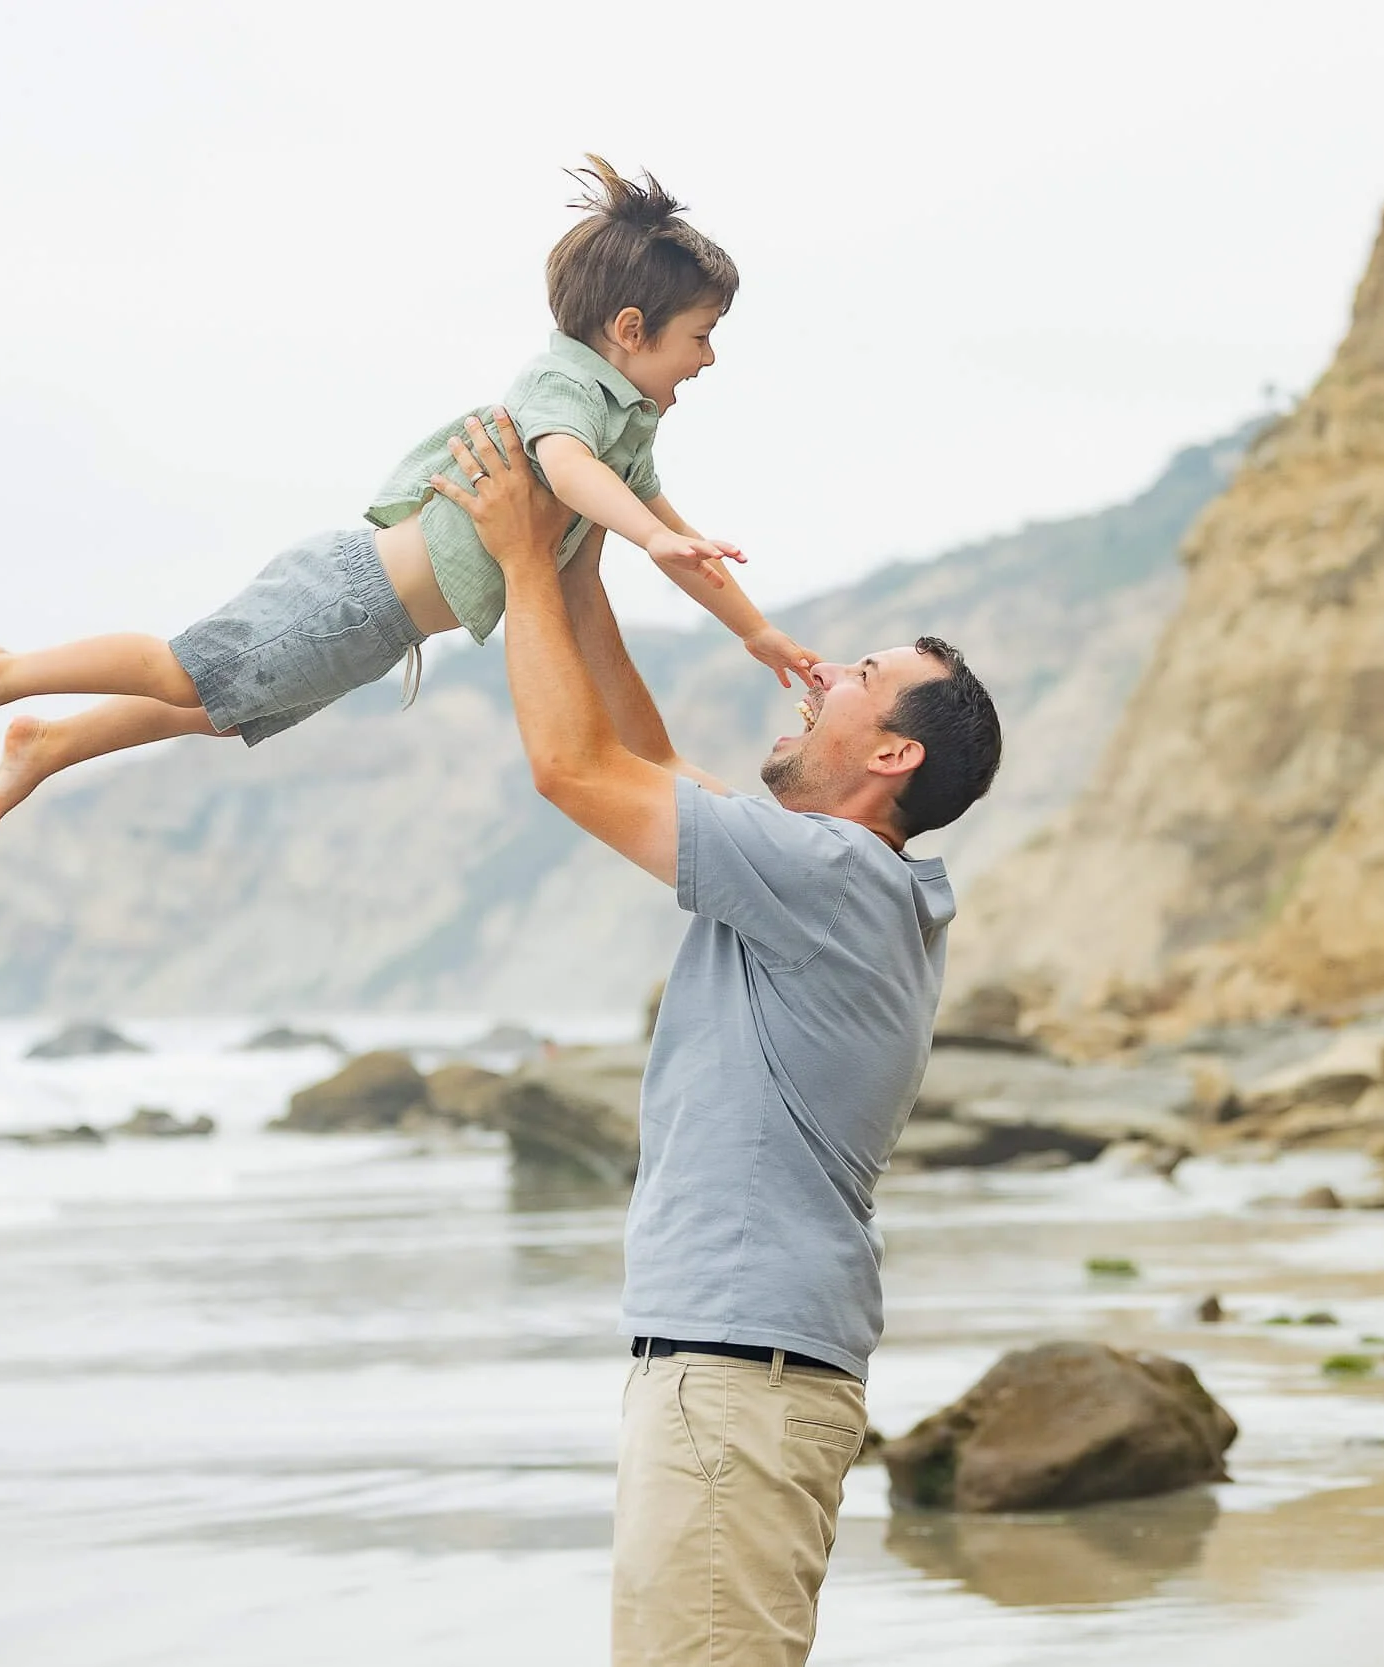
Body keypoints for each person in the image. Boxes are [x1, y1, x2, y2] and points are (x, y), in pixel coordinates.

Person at [423, 411, 1002, 1665]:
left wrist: (522, 560)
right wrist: (579, 565)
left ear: (892, 753)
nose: (812, 678)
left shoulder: (832, 875)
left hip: (740, 1373)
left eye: (850, 677)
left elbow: (575, 768)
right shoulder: (840, 880)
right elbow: (644, 759)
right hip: (747, 1370)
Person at [0, 157, 819, 841]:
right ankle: (1, 674)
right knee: (182, 672)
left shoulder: (628, 424)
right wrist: (649, 541)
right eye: (700, 337)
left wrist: (755, 631)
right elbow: (569, 469)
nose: (708, 359)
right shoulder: (566, 389)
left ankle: (48, 741)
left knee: (211, 708)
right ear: (629, 330)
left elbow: (679, 533)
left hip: (382, 631)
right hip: (350, 595)